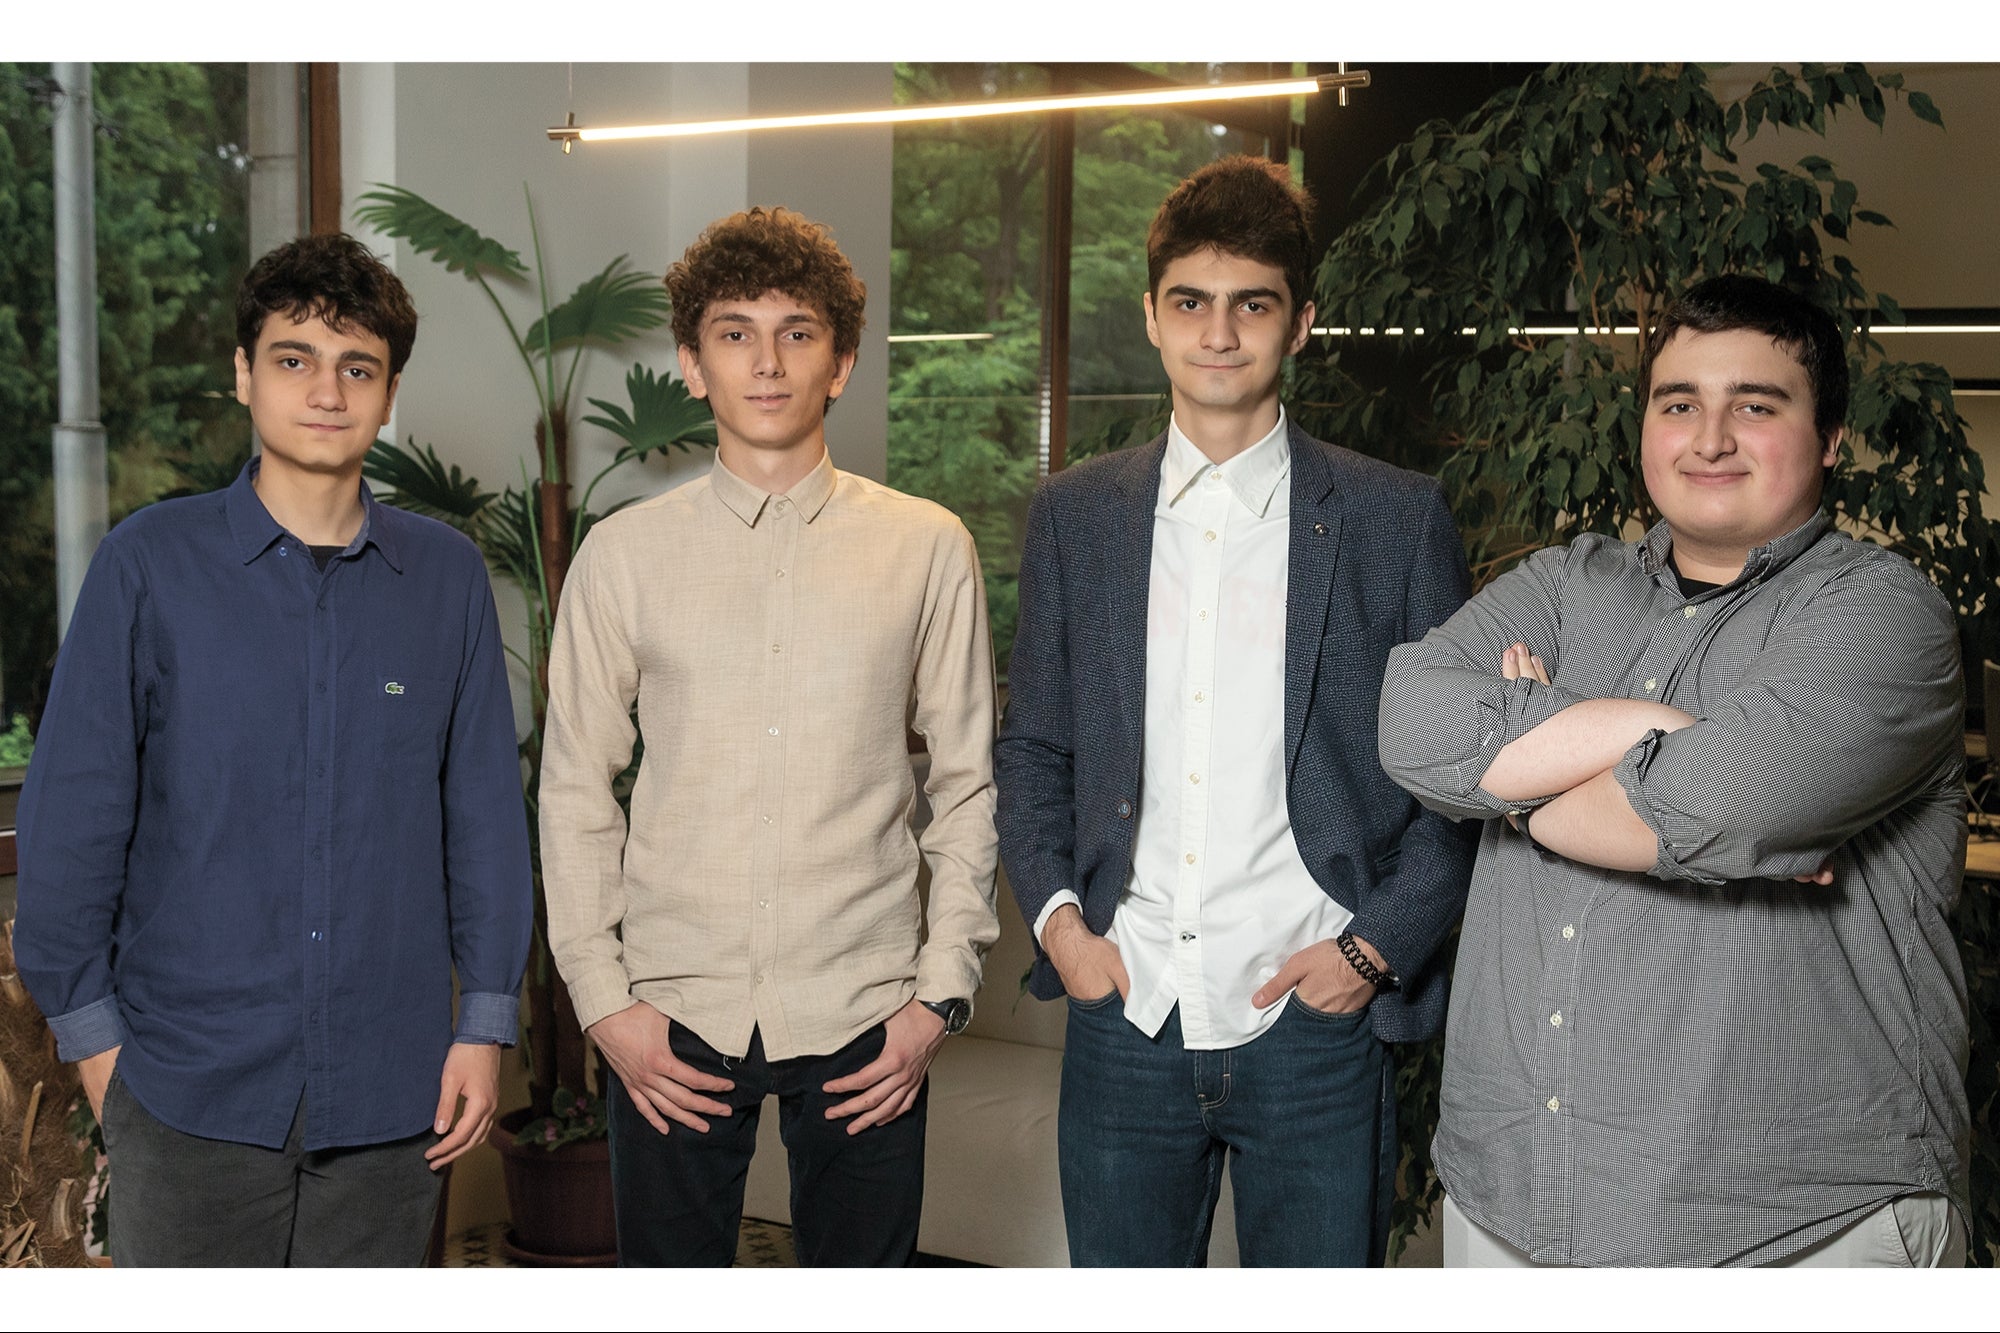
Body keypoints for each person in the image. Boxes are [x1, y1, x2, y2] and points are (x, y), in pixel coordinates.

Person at [1378, 273, 1970, 1267]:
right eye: (1678, 404)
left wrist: (1513, 782)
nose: (1710, 439)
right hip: (1509, 1208)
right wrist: (1661, 730)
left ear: (1830, 437)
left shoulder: (1882, 616)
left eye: (1756, 406)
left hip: (1793, 1233)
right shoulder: (1563, 583)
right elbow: (1408, 721)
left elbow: (1716, 803)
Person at [13, 232, 534, 1266]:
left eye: (358, 368)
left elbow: (483, 822)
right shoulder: (147, 565)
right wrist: (98, 1049)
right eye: (294, 359)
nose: (327, 392)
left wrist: (482, 1024)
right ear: (244, 375)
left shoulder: (446, 579)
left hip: (394, 1093)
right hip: (182, 1089)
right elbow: (72, 821)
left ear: (389, 394)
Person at [993, 156, 1477, 1267]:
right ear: (1151, 316)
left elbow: (1457, 781)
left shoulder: (1396, 518)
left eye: (1251, 305)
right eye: (1190, 303)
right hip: (1127, 1008)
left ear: (1299, 322)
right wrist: (1062, 928)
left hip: (1316, 1021)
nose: (1218, 333)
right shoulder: (1076, 515)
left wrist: (1370, 953)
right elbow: (1034, 750)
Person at [538, 206, 999, 1267]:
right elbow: (574, 787)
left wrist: (938, 996)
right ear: (692, 363)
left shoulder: (928, 546)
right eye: (734, 333)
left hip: (867, 1003)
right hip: (670, 1006)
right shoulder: (622, 555)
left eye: (797, 332)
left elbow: (968, 783)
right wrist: (602, 1001)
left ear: (842, 362)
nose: (766, 361)